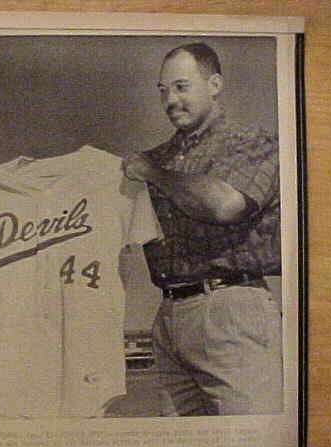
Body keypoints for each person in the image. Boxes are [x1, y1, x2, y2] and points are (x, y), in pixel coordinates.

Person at [123, 41, 283, 416]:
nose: (170, 101)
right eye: (163, 91)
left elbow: (225, 205)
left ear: (214, 85)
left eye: (181, 86)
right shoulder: (157, 156)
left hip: (230, 306)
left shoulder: (250, 141)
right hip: (169, 313)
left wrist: (152, 174)